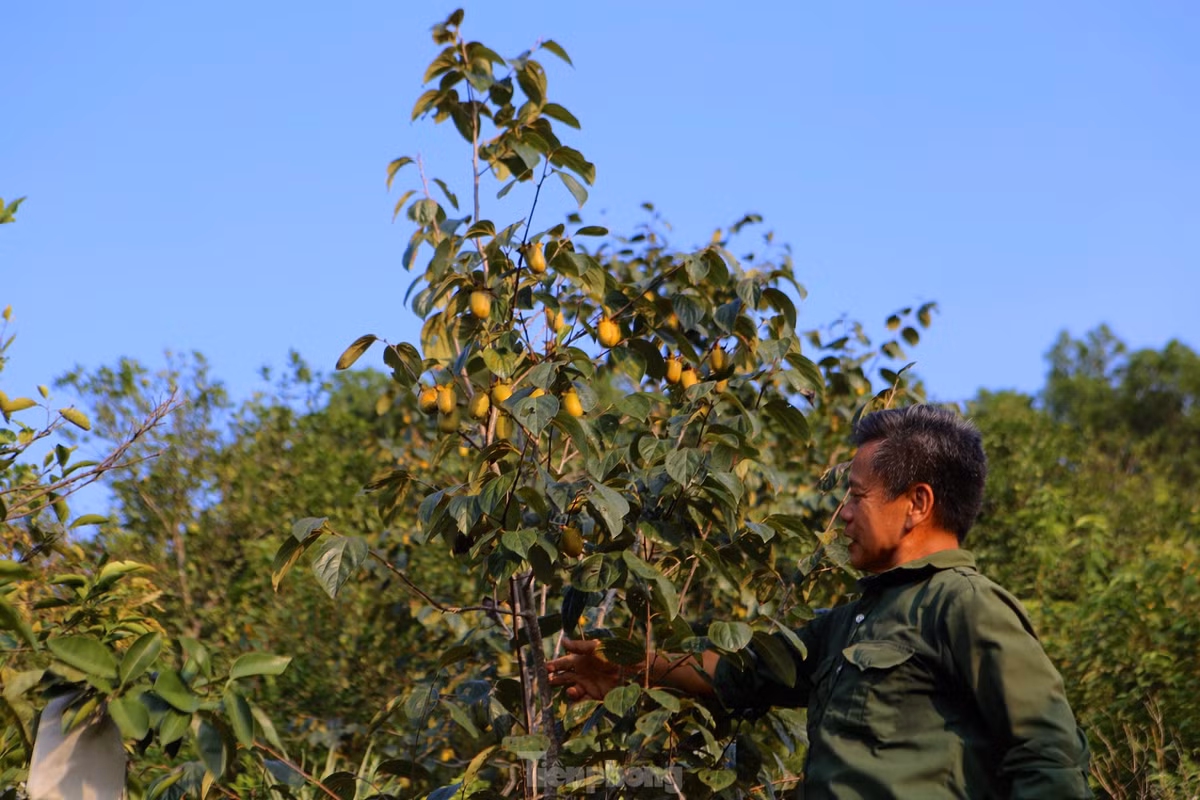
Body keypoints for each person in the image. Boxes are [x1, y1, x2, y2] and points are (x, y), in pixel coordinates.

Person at [547, 404, 1092, 798]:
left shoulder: (965, 606)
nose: (845, 513)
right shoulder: (850, 622)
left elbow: (1048, 754)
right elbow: (741, 671)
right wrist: (634, 667)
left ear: (917, 504)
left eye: (857, 496)